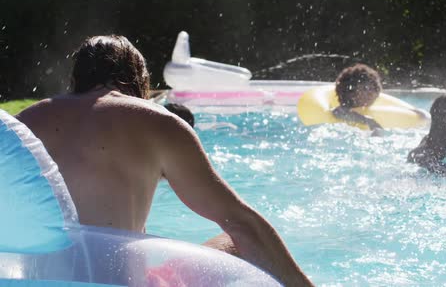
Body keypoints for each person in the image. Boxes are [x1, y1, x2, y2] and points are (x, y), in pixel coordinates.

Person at [16, 35, 313, 286]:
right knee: (234, 240)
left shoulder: (26, 122)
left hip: (38, 280)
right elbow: (242, 224)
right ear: (141, 80)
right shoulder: (158, 123)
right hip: (118, 282)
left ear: (76, 79)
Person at [332, 63, 383, 131]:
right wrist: (368, 121)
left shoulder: (373, 110)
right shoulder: (345, 107)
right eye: (365, 88)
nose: (371, 93)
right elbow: (338, 112)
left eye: (374, 88)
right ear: (350, 92)